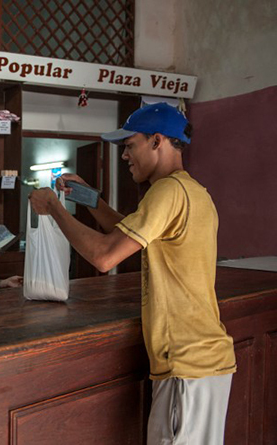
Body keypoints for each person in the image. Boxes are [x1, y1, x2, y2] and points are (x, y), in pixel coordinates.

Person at [29, 102, 236, 445]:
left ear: (157, 141)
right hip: (202, 362)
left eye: (129, 146)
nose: (125, 156)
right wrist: (89, 200)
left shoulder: (167, 192)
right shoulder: (191, 191)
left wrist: (54, 208)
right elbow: (126, 235)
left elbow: (105, 256)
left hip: (187, 364)